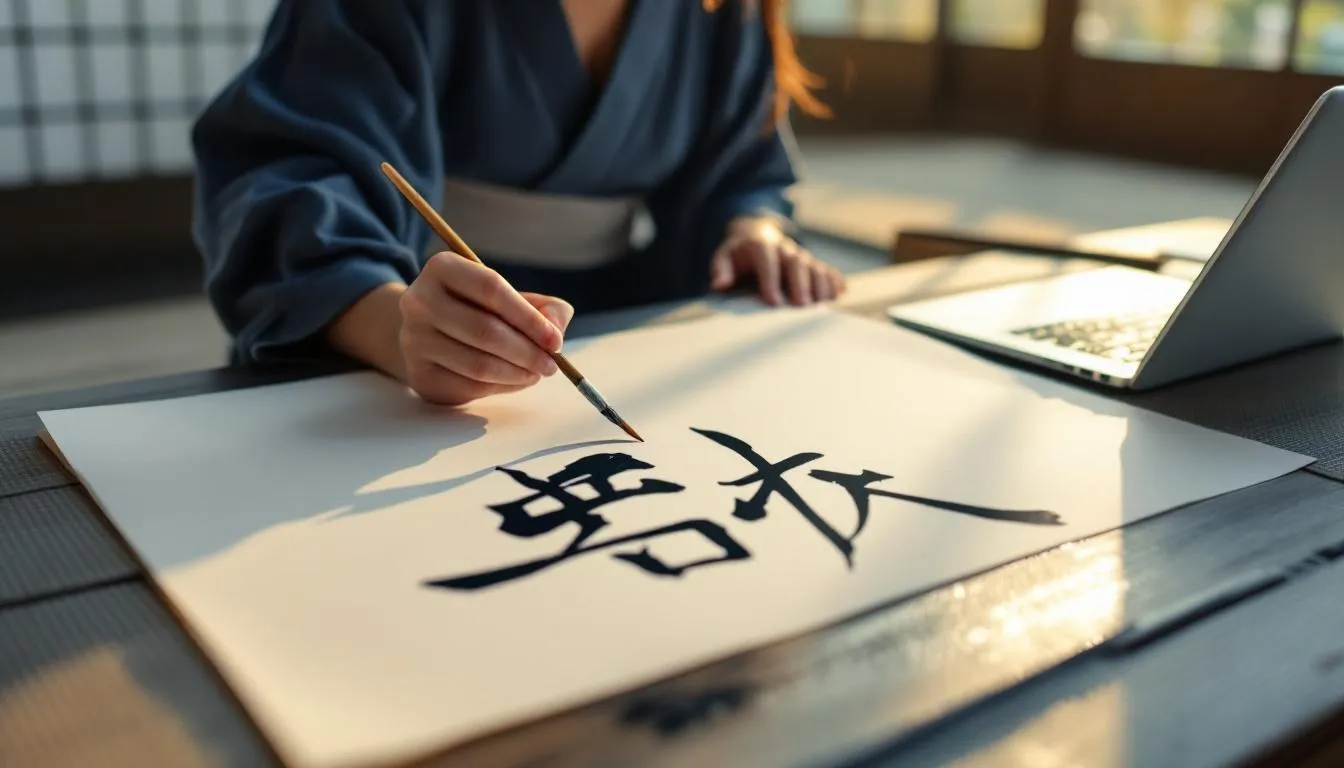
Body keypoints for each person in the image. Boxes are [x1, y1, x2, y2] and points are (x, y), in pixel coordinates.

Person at [191, 0, 846, 406]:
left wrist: (753, 229)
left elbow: (740, 161)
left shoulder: (718, 7)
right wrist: (396, 327)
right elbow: (295, 167)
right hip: (400, 325)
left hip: (628, 332)